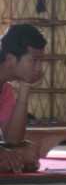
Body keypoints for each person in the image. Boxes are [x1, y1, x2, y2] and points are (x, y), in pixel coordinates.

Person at [0, 24, 45, 173]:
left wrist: (25, 87)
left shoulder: (5, 89)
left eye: (40, 61)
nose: (39, 68)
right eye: (34, 60)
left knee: (30, 152)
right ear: (11, 59)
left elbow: (13, 139)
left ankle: (7, 164)